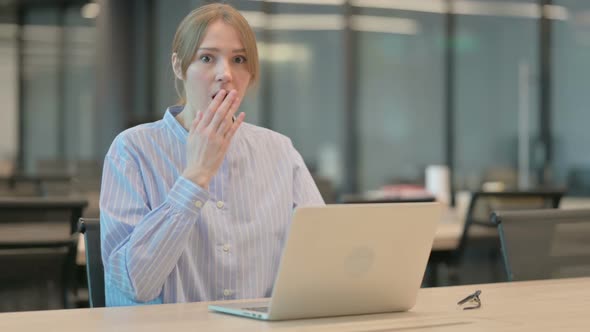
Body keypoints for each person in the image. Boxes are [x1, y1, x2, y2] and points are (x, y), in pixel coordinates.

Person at [100, 3, 324, 307]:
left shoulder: (280, 150)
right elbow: (134, 284)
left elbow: (324, 257)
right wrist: (195, 177)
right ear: (179, 66)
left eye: (239, 59)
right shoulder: (132, 150)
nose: (225, 74)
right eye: (207, 58)